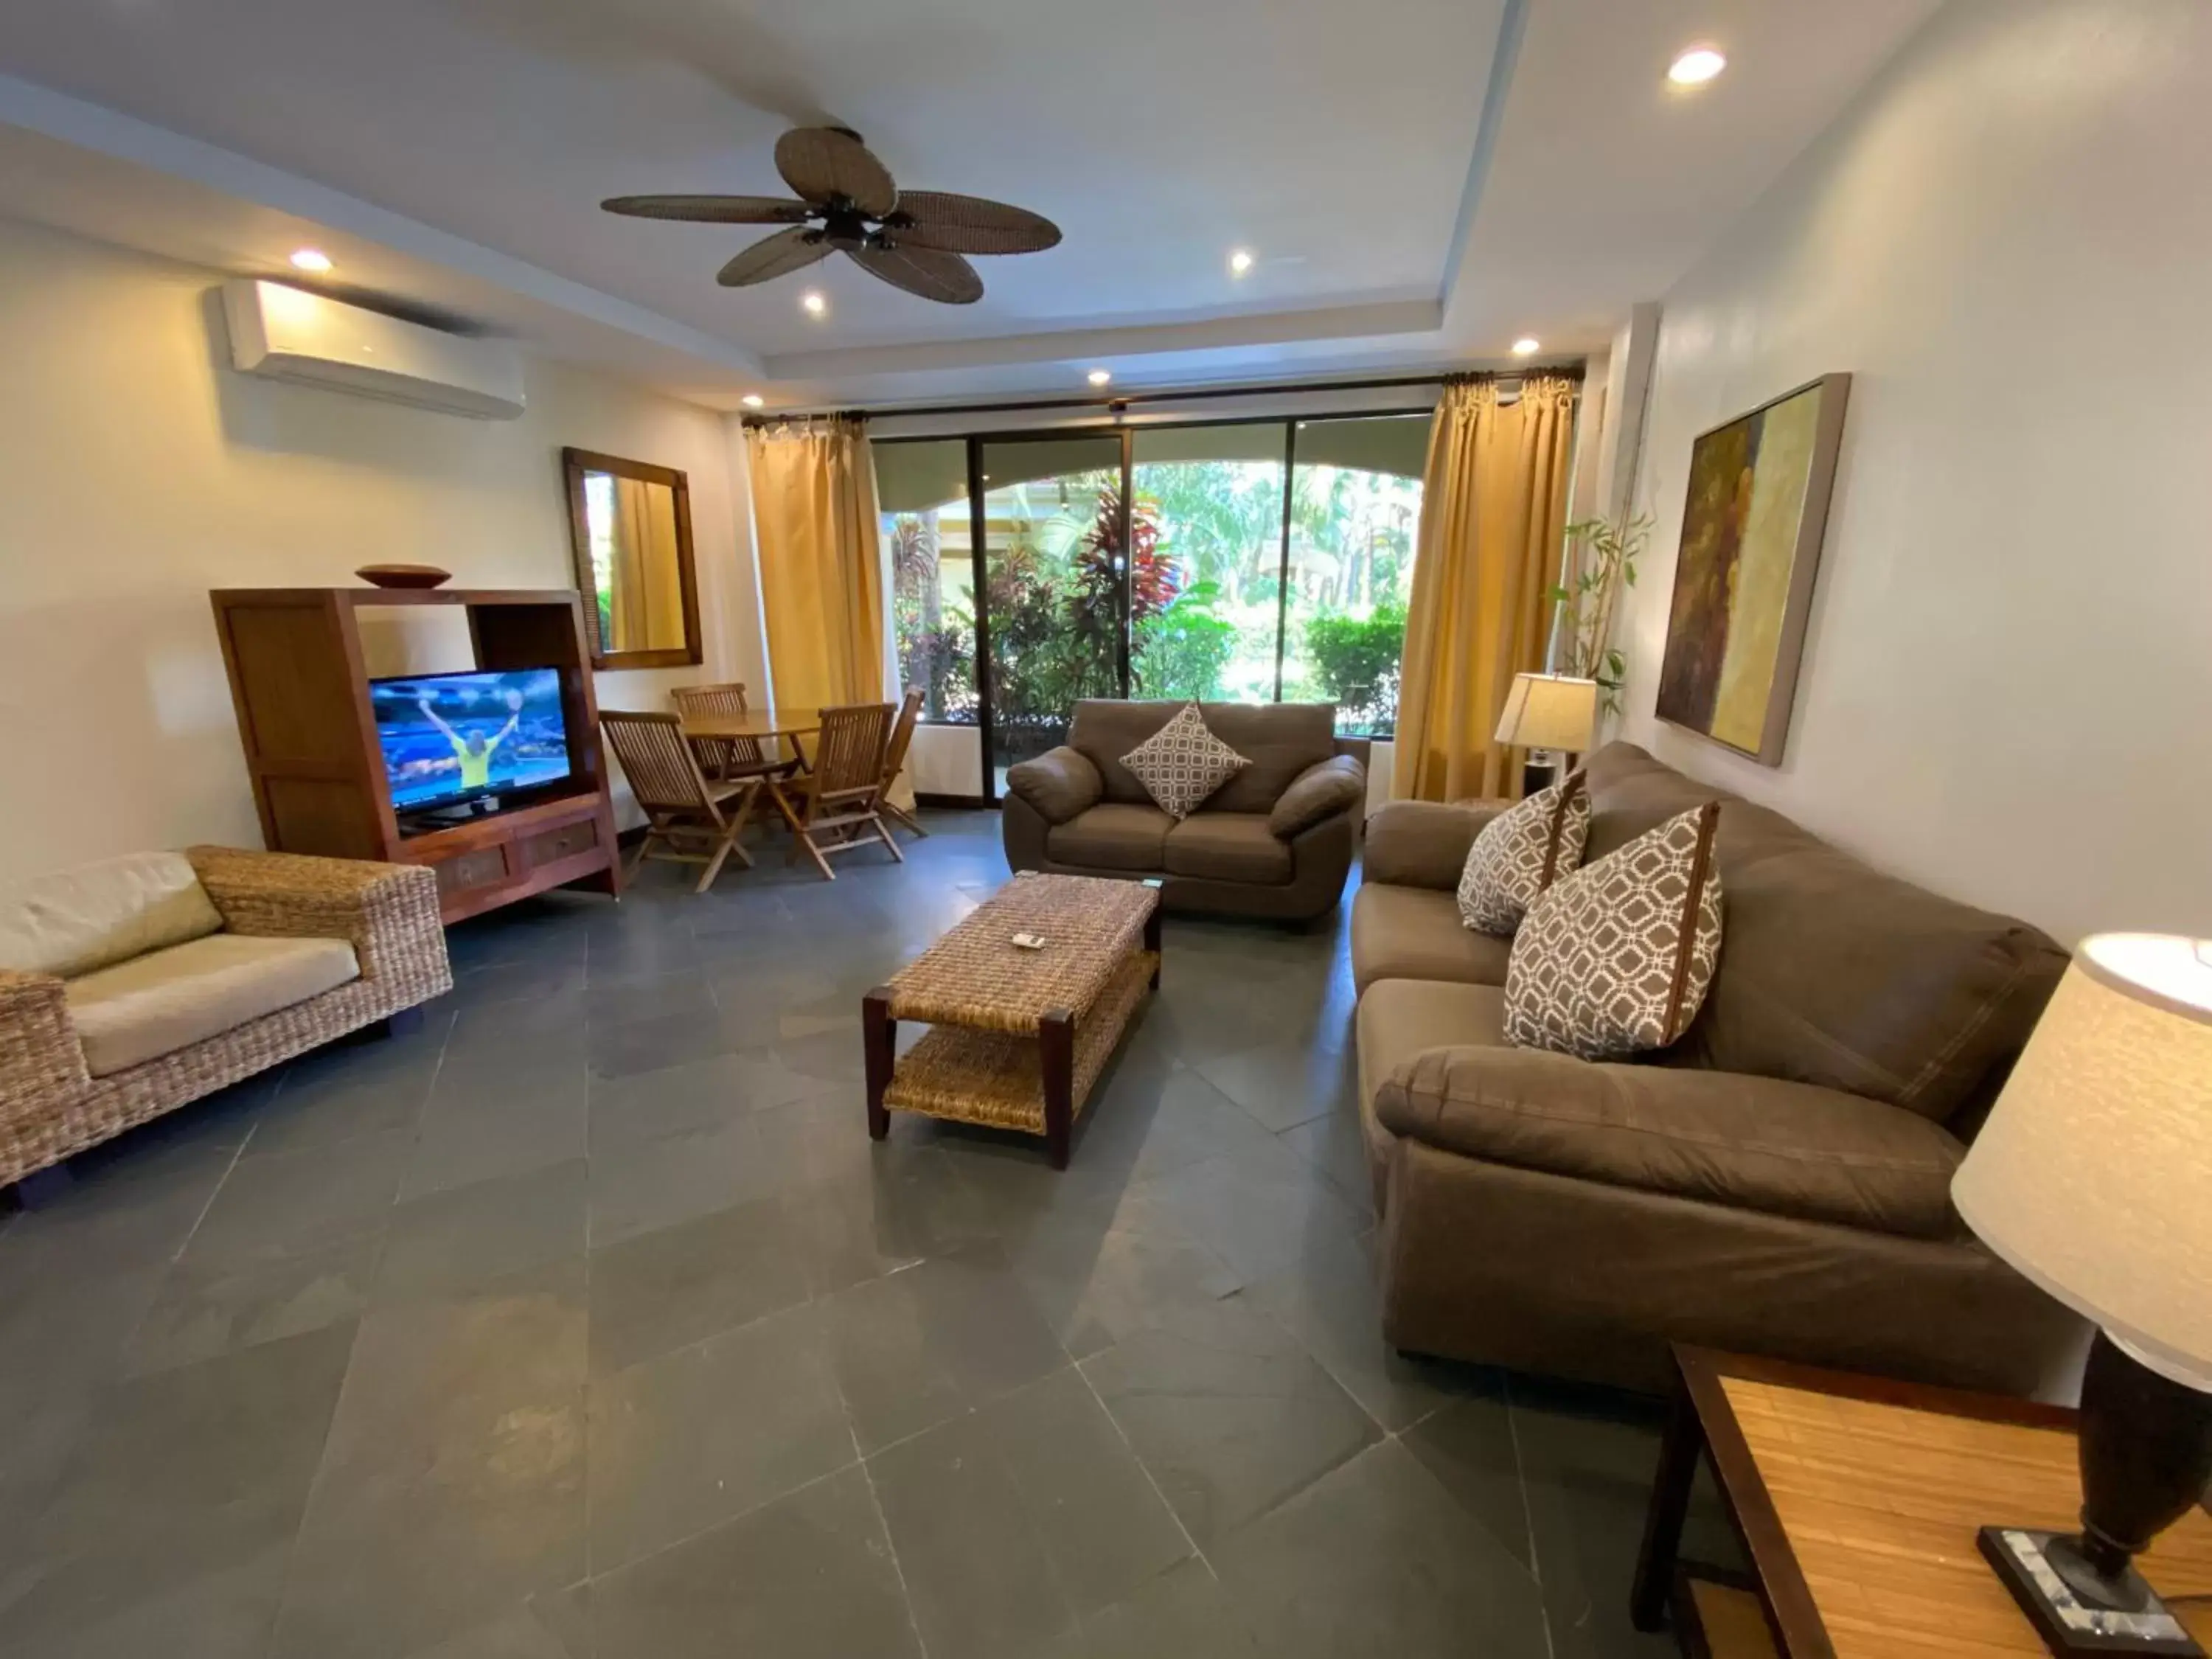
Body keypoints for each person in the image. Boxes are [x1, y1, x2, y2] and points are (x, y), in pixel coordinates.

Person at [419, 686, 522, 793]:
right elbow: (506, 731)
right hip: (484, 787)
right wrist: (515, 714)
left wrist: (426, 710)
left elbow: (444, 728)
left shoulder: (463, 747)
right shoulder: (487, 747)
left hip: (467, 790)